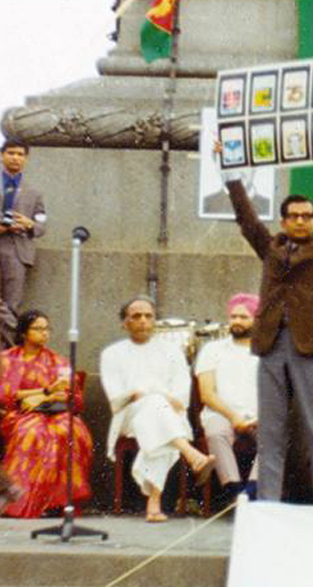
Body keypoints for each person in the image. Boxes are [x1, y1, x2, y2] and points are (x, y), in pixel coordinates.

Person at [218, 124, 313, 505]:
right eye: (292, 215)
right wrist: (229, 171)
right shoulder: (271, 249)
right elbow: (247, 219)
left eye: (306, 216)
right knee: (271, 435)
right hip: (271, 346)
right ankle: (269, 509)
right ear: (283, 221)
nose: (299, 221)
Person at [100, 296, 215, 522]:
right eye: (136, 316)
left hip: (167, 415)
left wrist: (156, 396)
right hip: (128, 415)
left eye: (148, 316)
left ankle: (153, 503)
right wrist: (148, 395)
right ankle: (191, 454)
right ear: (125, 323)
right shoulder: (112, 354)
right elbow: (116, 396)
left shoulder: (172, 351)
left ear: (154, 321)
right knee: (155, 407)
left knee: (156, 417)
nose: (143, 320)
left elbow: (181, 392)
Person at [0, 310, 93, 518]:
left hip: (55, 413)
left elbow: (75, 398)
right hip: (19, 414)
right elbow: (6, 395)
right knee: (32, 433)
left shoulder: (57, 361)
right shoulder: (7, 360)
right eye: (38, 329)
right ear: (24, 332)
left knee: (72, 431)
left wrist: (58, 394)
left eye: (47, 329)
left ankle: (58, 503)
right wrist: (45, 392)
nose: (44, 333)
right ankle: (22, 501)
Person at [194, 293, 260, 501]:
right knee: (215, 432)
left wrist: (257, 418)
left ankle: (252, 492)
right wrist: (233, 417)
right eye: (234, 316)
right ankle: (234, 491)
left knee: (275, 436)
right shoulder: (212, 350)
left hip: (259, 416)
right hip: (221, 413)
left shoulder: (268, 351)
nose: (237, 321)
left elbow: (278, 394)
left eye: (244, 317)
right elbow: (207, 393)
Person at [0, 139, 46, 346]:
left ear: (26, 159)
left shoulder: (34, 192)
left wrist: (29, 225)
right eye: (11, 153)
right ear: (2, 155)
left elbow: (41, 225)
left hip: (18, 252)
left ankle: (9, 355)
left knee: (12, 305)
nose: (15, 158)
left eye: (20, 154)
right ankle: (21, 341)